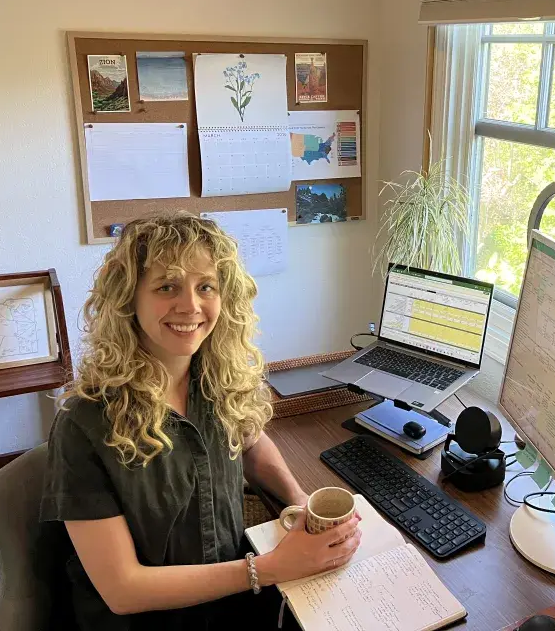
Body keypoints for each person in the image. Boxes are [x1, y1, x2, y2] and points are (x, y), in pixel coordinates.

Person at [41, 212, 361, 629]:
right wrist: (269, 569)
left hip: (230, 598)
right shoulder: (83, 424)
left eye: (205, 286)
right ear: (128, 299)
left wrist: (299, 500)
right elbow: (123, 589)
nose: (190, 306)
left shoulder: (215, 378)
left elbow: (251, 442)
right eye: (167, 286)